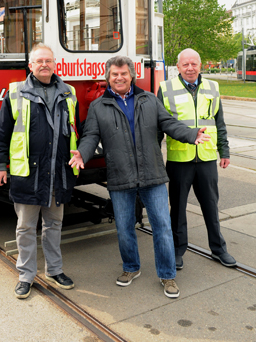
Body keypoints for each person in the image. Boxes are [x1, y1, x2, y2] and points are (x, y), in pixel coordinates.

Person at [69, 55, 210, 299]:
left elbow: (169, 123)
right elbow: (91, 135)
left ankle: (167, 275)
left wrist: (190, 134)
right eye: (114, 74)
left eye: (124, 73)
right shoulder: (98, 107)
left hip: (152, 174)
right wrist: (82, 153)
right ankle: (131, 268)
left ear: (132, 75)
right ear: (108, 78)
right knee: (124, 228)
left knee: (162, 227)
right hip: (120, 176)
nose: (119, 78)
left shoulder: (149, 100)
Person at [0, 43, 80, 299]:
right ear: (30, 66)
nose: (44, 65)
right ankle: (26, 276)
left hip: (58, 173)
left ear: (55, 64)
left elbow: (76, 129)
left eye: (48, 61)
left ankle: (54, 270)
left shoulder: (69, 93)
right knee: (26, 227)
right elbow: (1, 134)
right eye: (39, 61)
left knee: (54, 224)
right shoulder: (16, 93)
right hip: (27, 175)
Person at [157, 48, 236, 270]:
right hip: (179, 160)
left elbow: (219, 122)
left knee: (211, 206)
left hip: (207, 158)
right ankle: (177, 250)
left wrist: (225, 151)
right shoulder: (166, 88)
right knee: (178, 208)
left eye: (194, 64)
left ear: (200, 65)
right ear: (178, 66)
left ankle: (219, 249)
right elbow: (159, 126)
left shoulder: (213, 87)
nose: (190, 68)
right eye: (186, 64)